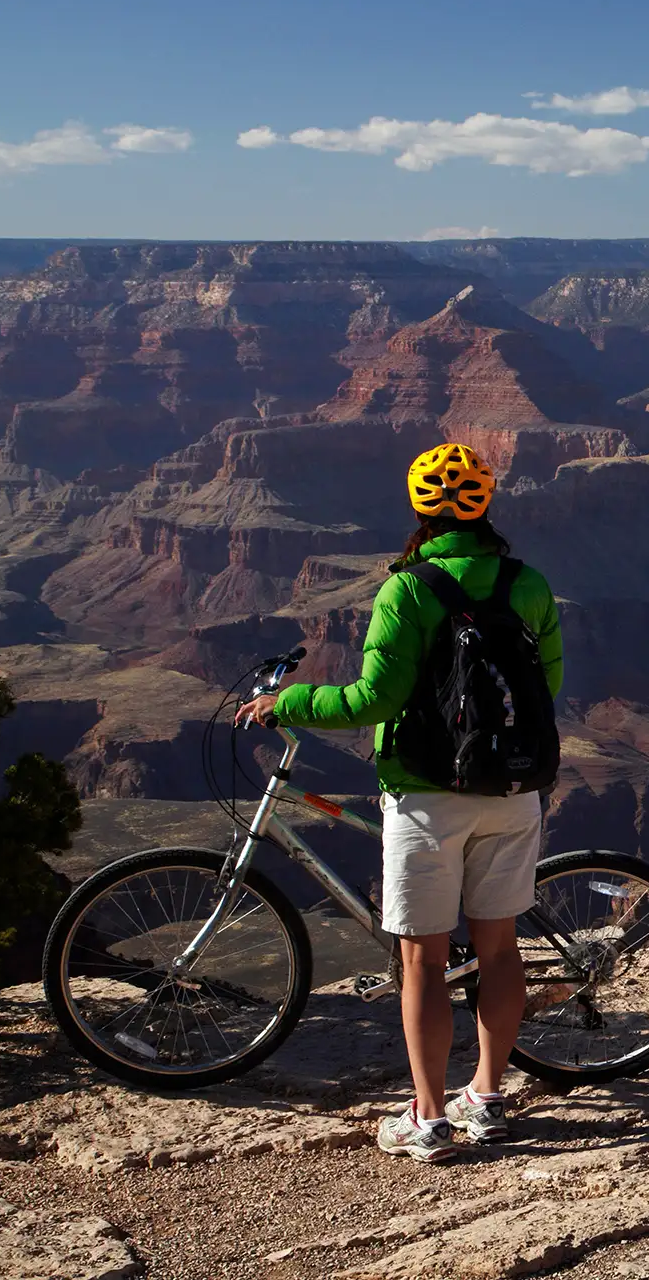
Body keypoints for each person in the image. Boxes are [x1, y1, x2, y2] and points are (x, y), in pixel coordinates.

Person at [236, 442, 563, 1161]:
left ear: (420, 509)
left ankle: (429, 1116)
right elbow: (549, 688)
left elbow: (373, 698)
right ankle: (489, 1098)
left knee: (422, 960)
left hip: (426, 795)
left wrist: (288, 702)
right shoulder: (527, 583)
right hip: (512, 789)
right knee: (500, 949)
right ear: (484, 505)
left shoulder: (407, 589)